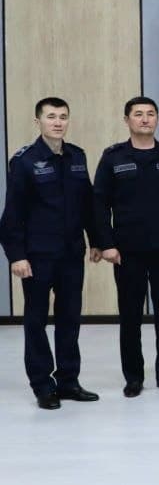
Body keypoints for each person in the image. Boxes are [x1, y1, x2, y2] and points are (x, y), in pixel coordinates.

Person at [0, 97, 100, 410]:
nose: (58, 122)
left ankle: (68, 381)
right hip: (38, 255)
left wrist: (97, 240)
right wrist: (16, 255)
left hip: (71, 253)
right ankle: (43, 385)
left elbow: (87, 204)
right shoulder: (25, 161)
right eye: (51, 117)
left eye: (63, 117)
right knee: (36, 320)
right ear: (38, 122)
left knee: (70, 318)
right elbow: (13, 213)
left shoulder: (77, 156)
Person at [93, 96, 159, 397]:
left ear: (157, 119)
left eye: (150, 114)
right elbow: (98, 204)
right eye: (138, 114)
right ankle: (133, 377)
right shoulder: (113, 157)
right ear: (127, 120)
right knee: (130, 317)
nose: (145, 119)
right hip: (127, 252)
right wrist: (106, 244)